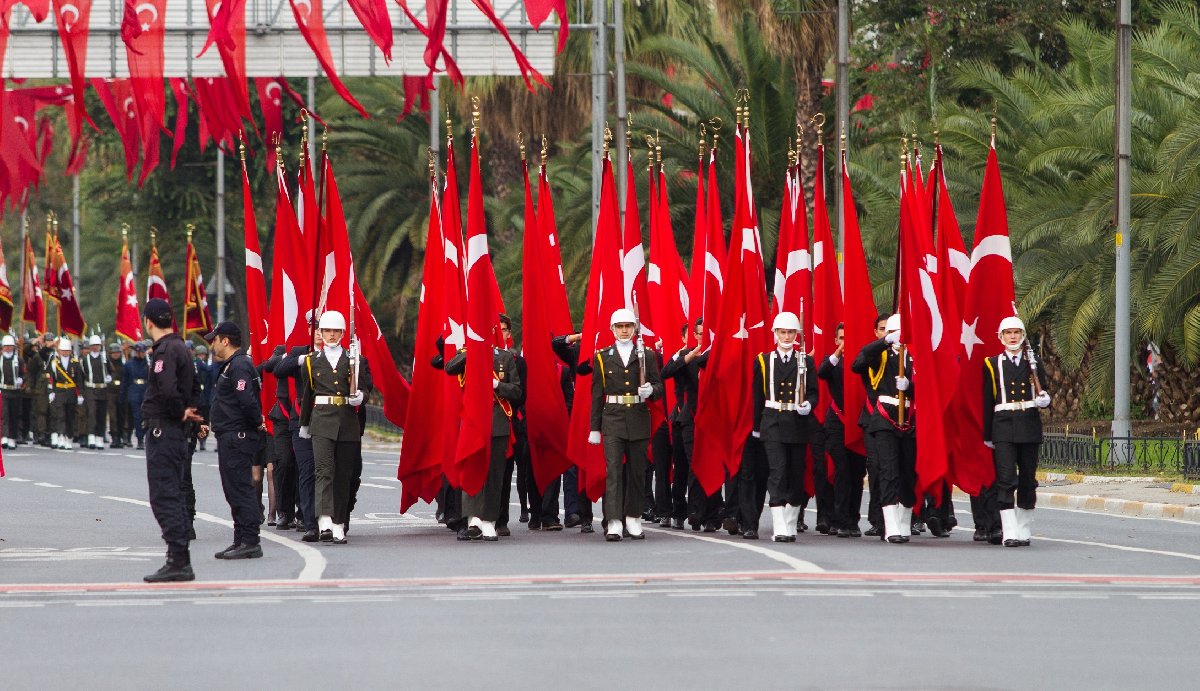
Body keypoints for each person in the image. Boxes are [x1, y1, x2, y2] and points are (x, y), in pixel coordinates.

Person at [588, 308, 664, 542]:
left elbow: (659, 387)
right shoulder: (602, 356)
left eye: (628, 326)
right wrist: (594, 428)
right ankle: (613, 521)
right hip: (612, 417)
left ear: (634, 329)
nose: (624, 330)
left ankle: (633, 516)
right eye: (619, 326)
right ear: (612, 329)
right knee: (613, 472)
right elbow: (597, 394)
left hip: (639, 418)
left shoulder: (647, 355)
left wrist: (650, 390)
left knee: (637, 472)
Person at [140, 298, 202, 582]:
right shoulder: (181, 347)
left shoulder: (165, 350)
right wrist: (189, 409)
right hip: (173, 431)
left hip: (163, 429)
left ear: (148, 321)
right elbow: (196, 386)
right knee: (172, 491)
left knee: (164, 494)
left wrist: (179, 411)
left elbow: (166, 388)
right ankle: (179, 557)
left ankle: (178, 558)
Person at [299, 311, 373, 544]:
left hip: (347, 422)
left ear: (342, 333)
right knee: (323, 471)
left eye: (336, 331)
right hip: (321, 421)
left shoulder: (356, 360)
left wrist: (361, 396)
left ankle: (339, 523)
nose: (331, 335)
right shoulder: (311, 361)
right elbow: (307, 395)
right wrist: (304, 424)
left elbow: (365, 388)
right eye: (327, 331)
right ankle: (324, 522)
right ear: (320, 333)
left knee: (343, 475)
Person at [444, 325, 521, 542]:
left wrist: (498, 385)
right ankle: (473, 519)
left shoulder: (505, 358)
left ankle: (489, 521)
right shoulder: (466, 354)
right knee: (473, 469)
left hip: (497, 423)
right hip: (473, 423)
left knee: (495, 474)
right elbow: (449, 368)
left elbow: (517, 391)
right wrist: (471, 352)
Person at [752, 312, 819, 542]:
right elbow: (757, 397)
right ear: (775, 334)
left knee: (795, 474)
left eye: (791, 332)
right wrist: (756, 427)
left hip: (797, 424)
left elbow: (813, 392)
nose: (787, 336)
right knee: (777, 472)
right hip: (772, 422)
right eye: (783, 332)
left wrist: (809, 404)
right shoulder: (763, 360)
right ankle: (779, 525)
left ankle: (790, 522)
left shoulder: (806, 361)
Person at [984, 316, 1051, 547]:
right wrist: (987, 435)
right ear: (1000, 337)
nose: (1012, 337)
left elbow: (1044, 391)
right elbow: (987, 400)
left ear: (1023, 336)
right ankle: (1009, 530)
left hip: (1029, 424)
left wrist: (1045, 400)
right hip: (1002, 425)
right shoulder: (992, 364)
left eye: (1016, 332)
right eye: (1008, 333)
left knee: (1027, 479)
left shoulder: (1033, 363)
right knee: (1005, 479)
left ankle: (1023, 527)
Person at [852, 314, 917, 544]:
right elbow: (857, 363)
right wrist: (886, 341)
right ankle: (891, 527)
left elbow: (930, 385)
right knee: (888, 470)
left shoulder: (914, 356)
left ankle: (904, 521)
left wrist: (910, 386)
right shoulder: (879, 355)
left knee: (908, 473)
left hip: (909, 417)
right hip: (884, 419)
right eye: (893, 333)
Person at [205, 322, 266, 560]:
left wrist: (255, 422)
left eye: (215, 339)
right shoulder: (232, 365)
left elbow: (247, 400)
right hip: (230, 435)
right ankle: (240, 539)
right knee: (233, 490)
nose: (212, 344)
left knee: (240, 489)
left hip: (237, 436)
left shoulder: (239, 365)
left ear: (225, 340)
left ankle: (250, 541)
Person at [817, 323, 865, 537]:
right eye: (841, 338)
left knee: (856, 473)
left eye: (849, 337)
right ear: (836, 340)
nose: (845, 341)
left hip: (860, 424)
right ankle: (839, 518)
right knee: (842, 472)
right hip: (837, 423)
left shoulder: (863, 361)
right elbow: (822, 372)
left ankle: (852, 520)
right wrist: (838, 353)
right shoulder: (832, 361)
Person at [659, 321, 707, 531]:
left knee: (701, 465)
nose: (700, 338)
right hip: (682, 418)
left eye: (704, 334)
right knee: (681, 467)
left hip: (705, 418)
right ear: (687, 336)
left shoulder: (712, 353)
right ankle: (678, 511)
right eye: (697, 334)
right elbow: (666, 372)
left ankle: (700, 512)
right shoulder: (683, 355)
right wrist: (688, 356)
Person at [48, 336, 84, 450]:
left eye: (67, 350)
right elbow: (51, 379)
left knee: (70, 416)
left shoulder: (75, 363)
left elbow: (79, 380)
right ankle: (61, 436)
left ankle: (69, 437)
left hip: (71, 392)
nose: (65, 352)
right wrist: (51, 392)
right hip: (59, 391)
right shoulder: (54, 363)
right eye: (63, 350)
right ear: (59, 350)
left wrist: (80, 394)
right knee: (61, 415)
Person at [80, 335, 113, 449]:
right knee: (92, 413)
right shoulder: (85, 360)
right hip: (90, 389)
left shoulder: (104, 358)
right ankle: (91, 437)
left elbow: (110, 371)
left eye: (97, 345)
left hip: (103, 390)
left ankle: (100, 437)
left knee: (101, 414)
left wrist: (109, 377)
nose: (95, 347)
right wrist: (81, 392)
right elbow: (82, 376)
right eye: (93, 345)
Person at [0, 335, 25, 449]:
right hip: (4, 390)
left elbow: (23, 373)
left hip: (15, 391)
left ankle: (12, 438)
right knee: (4, 414)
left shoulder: (18, 360)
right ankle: (4, 436)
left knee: (14, 414)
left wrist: (21, 379)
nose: (8, 348)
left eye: (10, 346)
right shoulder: (0, 360)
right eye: (6, 346)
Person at [123, 342, 150, 449]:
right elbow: (125, 381)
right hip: (134, 391)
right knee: (137, 417)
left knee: (146, 416)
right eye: (138, 352)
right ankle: (140, 439)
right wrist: (123, 396)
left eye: (141, 352)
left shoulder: (148, 364)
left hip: (145, 391)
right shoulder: (129, 364)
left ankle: (146, 436)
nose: (139, 354)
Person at [106, 343, 128, 448]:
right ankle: (114, 436)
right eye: (113, 353)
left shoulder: (123, 364)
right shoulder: (106, 364)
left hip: (121, 391)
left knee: (121, 415)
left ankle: (120, 436)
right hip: (110, 392)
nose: (116, 355)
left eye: (117, 352)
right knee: (113, 416)